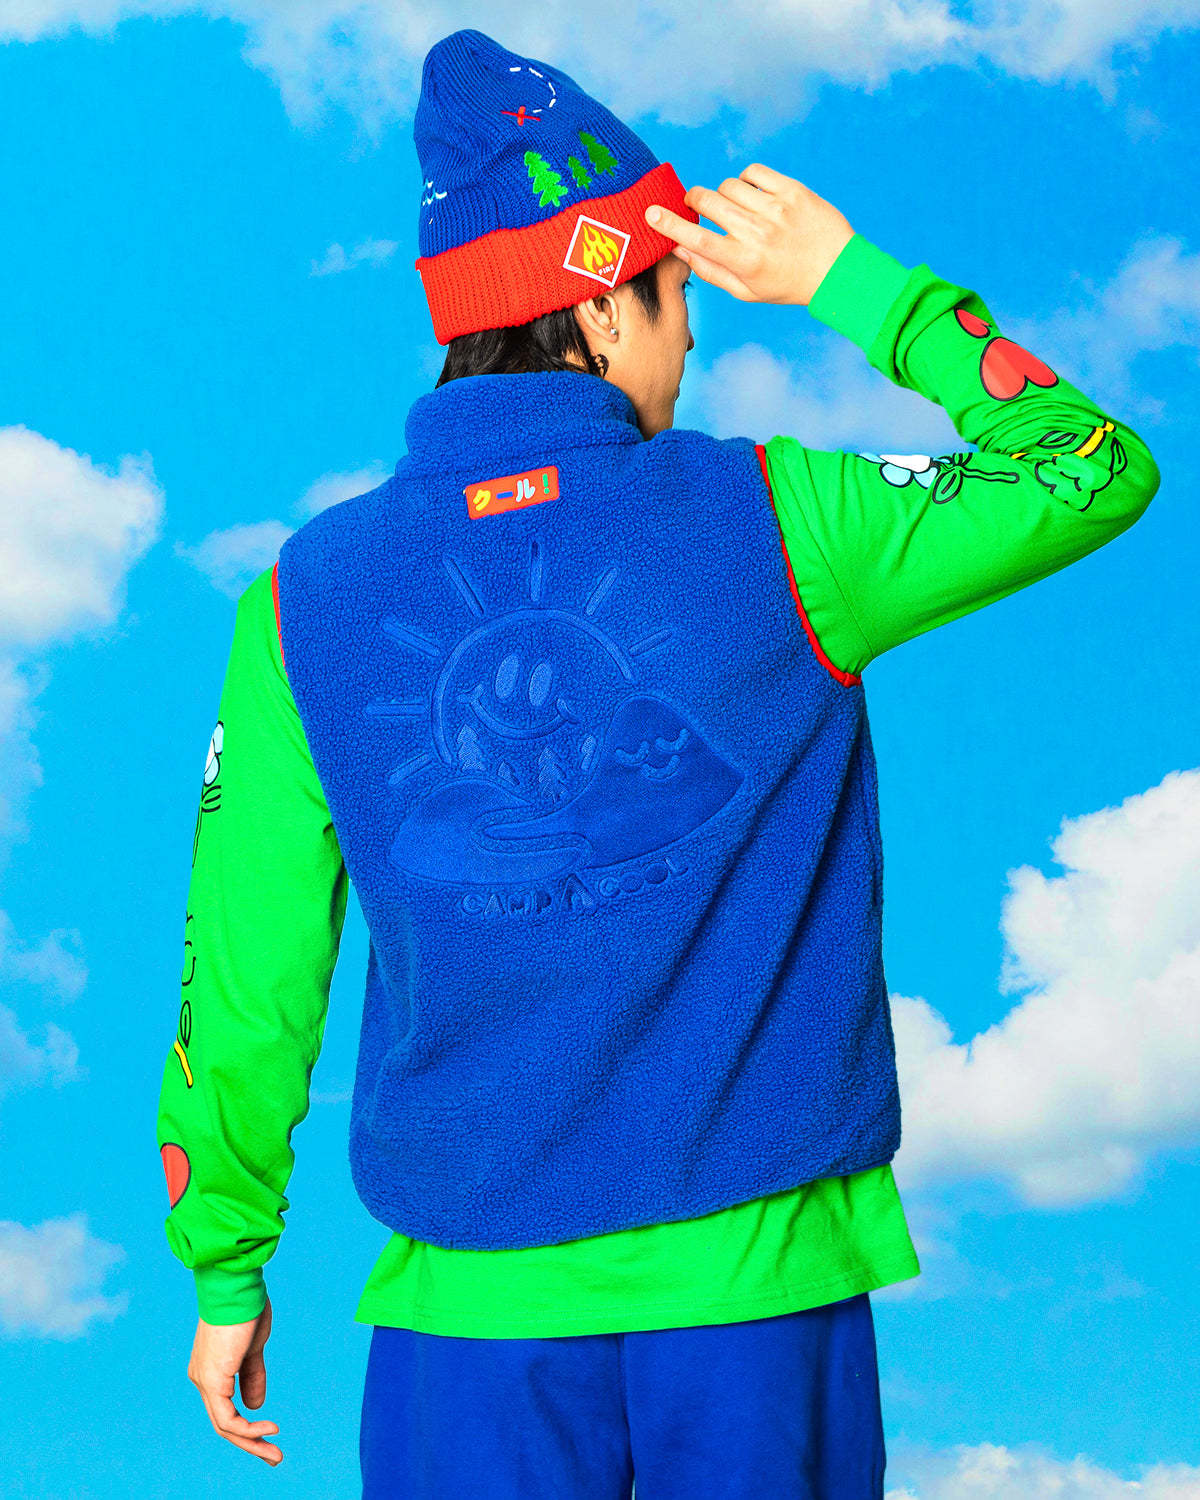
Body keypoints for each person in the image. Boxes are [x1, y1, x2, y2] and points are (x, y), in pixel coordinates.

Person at [156, 27, 1160, 1499]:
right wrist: (851, 282)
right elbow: (1089, 465)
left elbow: (247, 974)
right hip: (760, 1294)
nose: (691, 337)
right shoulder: (785, 517)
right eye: (677, 295)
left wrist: (227, 1263)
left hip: (465, 1320)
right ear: (598, 305)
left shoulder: (299, 602)